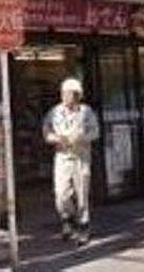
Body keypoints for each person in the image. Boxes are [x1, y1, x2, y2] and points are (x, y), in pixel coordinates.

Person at [42, 77, 100, 245]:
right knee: (61, 194)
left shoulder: (86, 112)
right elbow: (46, 130)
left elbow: (95, 132)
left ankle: (83, 226)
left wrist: (81, 137)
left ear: (78, 95)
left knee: (82, 193)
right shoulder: (54, 112)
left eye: (70, 94)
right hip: (62, 156)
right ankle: (68, 219)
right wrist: (55, 138)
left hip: (81, 157)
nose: (66, 97)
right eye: (64, 93)